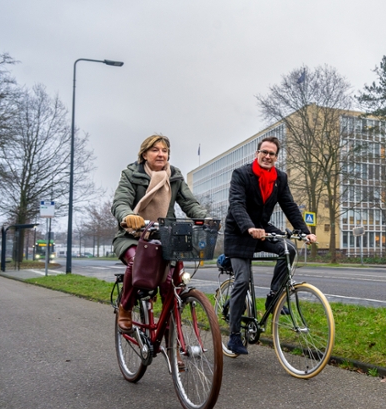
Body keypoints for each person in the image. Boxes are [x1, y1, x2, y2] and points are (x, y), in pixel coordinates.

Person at [224, 136, 316, 355]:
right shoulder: (241, 174)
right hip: (238, 233)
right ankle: (234, 336)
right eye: (264, 152)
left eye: (272, 154)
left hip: (262, 230)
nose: (267, 156)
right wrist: (248, 227)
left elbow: (289, 206)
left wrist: (305, 231)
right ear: (257, 153)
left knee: (289, 250)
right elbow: (236, 205)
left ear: (276, 157)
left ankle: (273, 298)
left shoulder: (279, 178)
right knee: (242, 280)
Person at [111, 134, 207, 333]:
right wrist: (128, 215)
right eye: (155, 150)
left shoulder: (175, 176)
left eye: (164, 150)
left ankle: (174, 347)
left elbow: (189, 203)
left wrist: (204, 218)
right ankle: (126, 307)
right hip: (133, 236)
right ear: (144, 154)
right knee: (136, 261)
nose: (161, 154)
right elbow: (120, 202)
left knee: (170, 286)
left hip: (165, 236)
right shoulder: (130, 174)